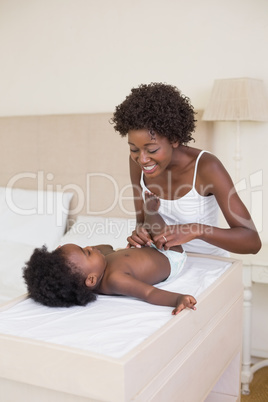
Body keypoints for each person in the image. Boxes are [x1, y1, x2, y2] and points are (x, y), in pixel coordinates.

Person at [111, 82, 261, 256]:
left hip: (208, 263)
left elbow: (252, 242)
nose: (142, 159)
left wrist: (197, 230)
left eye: (152, 150)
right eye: (134, 149)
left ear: (174, 139)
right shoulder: (137, 162)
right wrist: (141, 234)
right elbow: (142, 221)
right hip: (164, 263)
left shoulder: (207, 168)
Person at [23, 191, 196, 315]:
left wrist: (89, 254)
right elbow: (149, 293)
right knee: (158, 231)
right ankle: (151, 210)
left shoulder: (97, 269)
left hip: (147, 250)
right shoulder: (115, 280)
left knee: (126, 241)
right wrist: (177, 299)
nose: (90, 248)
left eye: (86, 247)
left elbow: (107, 247)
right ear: (90, 280)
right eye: (86, 253)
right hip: (170, 256)